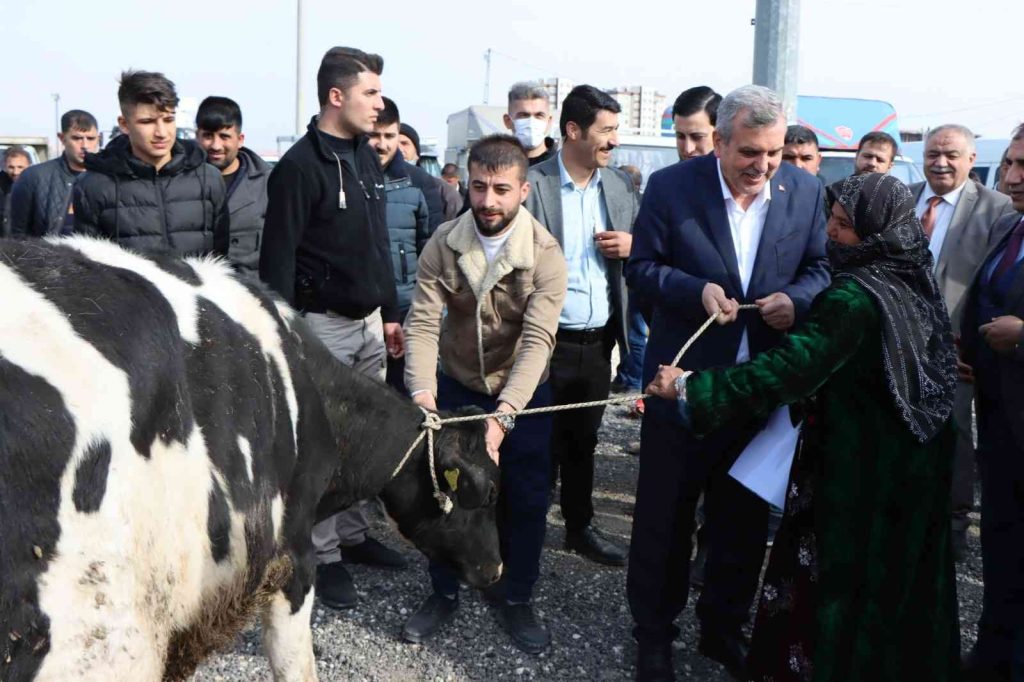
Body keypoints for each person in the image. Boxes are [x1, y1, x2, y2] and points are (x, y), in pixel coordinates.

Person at [647, 172, 960, 682]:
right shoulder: (913, 280)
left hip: (859, 473)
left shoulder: (853, 300)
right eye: (831, 220)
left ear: (876, 233)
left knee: (841, 589)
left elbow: (787, 371)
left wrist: (689, 387)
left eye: (843, 226)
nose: (831, 233)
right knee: (901, 586)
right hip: (914, 468)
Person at [625, 84, 829, 680]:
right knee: (665, 517)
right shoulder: (671, 188)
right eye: (749, 153)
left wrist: (796, 300)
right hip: (681, 387)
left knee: (741, 523)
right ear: (718, 141)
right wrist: (694, 291)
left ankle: (722, 627)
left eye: (773, 153)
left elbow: (820, 269)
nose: (762, 167)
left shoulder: (805, 192)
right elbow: (641, 271)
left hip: (756, 393)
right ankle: (654, 635)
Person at [401, 134, 567, 654]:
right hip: (455, 383)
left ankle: (516, 596)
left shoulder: (546, 254)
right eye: (478, 187)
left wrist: (503, 418)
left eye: (500, 189)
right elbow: (424, 323)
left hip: (523, 392)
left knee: (524, 497)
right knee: (443, 494)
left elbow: (539, 340)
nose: (488, 201)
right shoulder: (443, 243)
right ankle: (443, 590)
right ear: (466, 184)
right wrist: (424, 396)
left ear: (522, 190)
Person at [259, 46, 407, 611]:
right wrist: (288, 339)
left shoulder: (367, 157)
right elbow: (277, 263)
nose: (380, 104)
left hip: (370, 327)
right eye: (370, 93)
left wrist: (390, 314)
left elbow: (377, 246)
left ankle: (352, 535)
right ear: (336, 96)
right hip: (321, 329)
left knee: (363, 441)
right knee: (323, 446)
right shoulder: (299, 167)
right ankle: (321, 555)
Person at [523, 84, 639, 567]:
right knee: (533, 445)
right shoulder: (534, 185)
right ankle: (522, 531)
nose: (614, 141)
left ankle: (578, 527)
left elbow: (644, 258)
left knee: (583, 442)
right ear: (573, 131)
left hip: (597, 343)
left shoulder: (618, 187)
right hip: (544, 343)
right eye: (606, 131)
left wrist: (633, 246)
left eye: (616, 130)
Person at [908, 123, 1014, 561]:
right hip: (894, 345)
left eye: (951, 154)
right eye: (933, 153)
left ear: (972, 160)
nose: (940, 162)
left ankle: (952, 530)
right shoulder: (903, 198)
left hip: (957, 353)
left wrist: (972, 345)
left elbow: (996, 287)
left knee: (953, 437)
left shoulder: (999, 209)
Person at [960, 125, 1024, 681]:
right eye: (1010, 163)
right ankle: (993, 656)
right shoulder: (1012, 230)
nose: (1013, 178)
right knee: (1002, 545)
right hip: (1002, 424)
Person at [72, 71, 228, 256]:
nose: (161, 132)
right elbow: (88, 267)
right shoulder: (93, 186)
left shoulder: (208, 178)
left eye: (169, 119)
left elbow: (221, 261)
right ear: (124, 124)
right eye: (148, 122)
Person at [368, 97, 431, 392]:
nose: (381, 144)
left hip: (407, 307)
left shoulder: (418, 184)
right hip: (361, 311)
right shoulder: (346, 180)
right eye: (374, 135)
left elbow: (430, 250)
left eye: (389, 136)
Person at [195, 96, 270, 274]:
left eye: (224, 136)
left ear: (240, 138)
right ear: (196, 136)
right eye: (207, 136)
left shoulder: (268, 185)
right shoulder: (180, 184)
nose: (216, 145)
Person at [10, 110, 99, 237]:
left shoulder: (111, 179)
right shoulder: (33, 177)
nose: (85, 145)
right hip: (48, 254)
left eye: (91, 138)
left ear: (99, 138)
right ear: (62, 138)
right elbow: (18, 234)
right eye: (77, 138)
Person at [611, 164, 649, 399]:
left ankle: (634, 378)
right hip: (626, 279)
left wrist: (631, 245)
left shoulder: (640, 204)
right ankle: (627, 375)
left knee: (635, 334)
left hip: (633, 281)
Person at [396, 121, 451, 224]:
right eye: (395, 143)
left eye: (404, 143)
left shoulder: (440, 188)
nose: (399, 149)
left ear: (417, 154)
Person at [504, 81, 558, 166]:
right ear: (507, 121)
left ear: (549, 122)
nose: (531, 122)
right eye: (524, 115)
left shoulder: (563, 165)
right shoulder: (494, 167)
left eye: (539, 115)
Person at [671, 85, 721, 161]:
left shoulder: (739, 172)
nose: (688, 149)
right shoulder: (666, 173)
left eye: (697, 137)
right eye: (680, 136)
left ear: (719, 136)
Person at [0, 147, 31, 237]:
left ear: (29, 165)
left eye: (20, 167)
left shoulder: (37, 184)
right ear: (4, 166)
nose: (15, 172)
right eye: (11, 167)